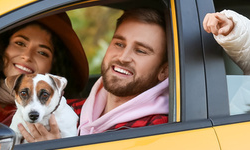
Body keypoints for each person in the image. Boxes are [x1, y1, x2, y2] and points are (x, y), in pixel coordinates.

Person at [20, 7, 170, 142]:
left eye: (140, 51)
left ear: (164, 71)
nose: (123, 57)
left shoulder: (157, 131)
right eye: (119, 44)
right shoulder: (68, 109)